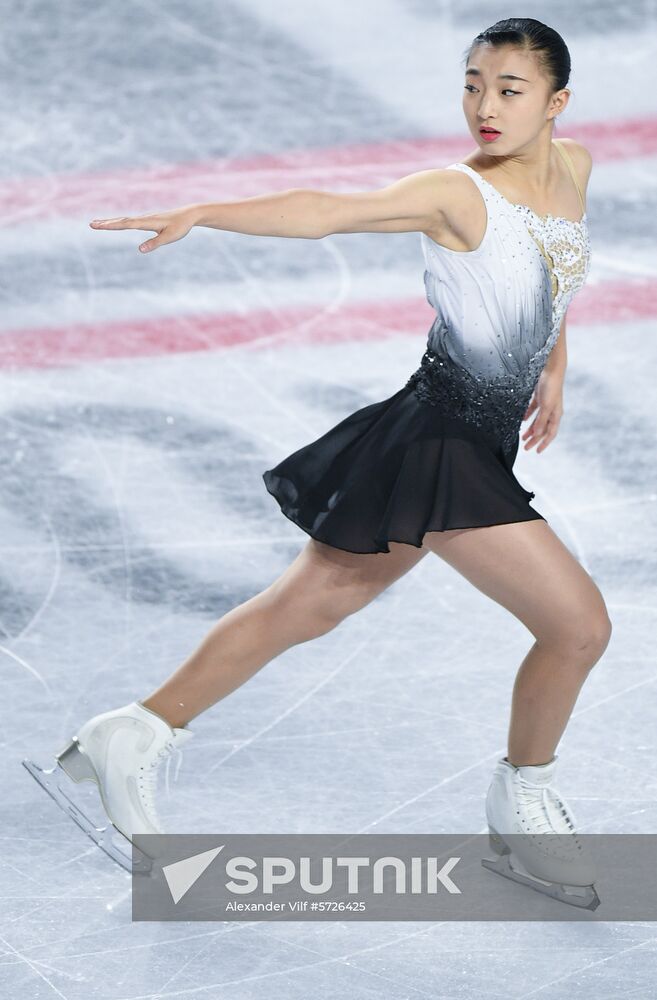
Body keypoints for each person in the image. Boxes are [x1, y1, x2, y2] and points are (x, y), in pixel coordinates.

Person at [24, 18, 608, 908]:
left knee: (309, 603)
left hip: (467, 436)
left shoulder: (573, 170)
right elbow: (326, 210)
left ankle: (129, 734)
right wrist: (208, 211)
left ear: (556, 102)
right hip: (439, 444)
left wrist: (553, 363)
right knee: (576, 627)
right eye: (471, 84)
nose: (484, 107)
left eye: (509, 89)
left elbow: (550, 272)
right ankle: (520, 802)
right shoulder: (454, 193)